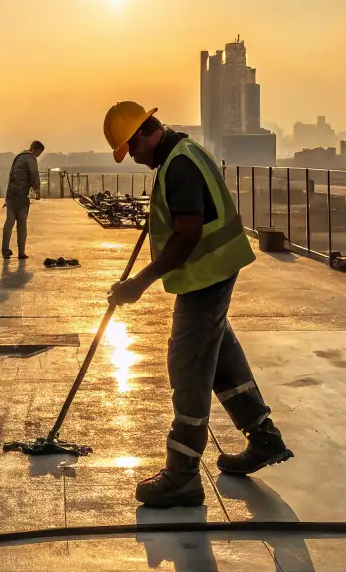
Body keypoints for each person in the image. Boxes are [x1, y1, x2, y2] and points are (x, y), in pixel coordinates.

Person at [102, 102, 292, 508]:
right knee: (219, 354)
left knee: (188, 364)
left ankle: (182, 474)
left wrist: (139, 282)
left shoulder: (179, 166)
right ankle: (263, 437)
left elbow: (187, 235)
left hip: (206, 274)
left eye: (130, 149)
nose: (133, 158)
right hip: (213, 271)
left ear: (142, 135)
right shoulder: (182, 154)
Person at [2, 140, 44, 259]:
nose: (38, 155)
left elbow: (11, 176)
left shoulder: (18, 157)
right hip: (21, 196)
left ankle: (5, 250)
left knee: (9, 223)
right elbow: (34, 173)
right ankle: (21, 252)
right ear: (34, 149)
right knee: (22, 225)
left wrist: (7, 197)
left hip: (11, 195)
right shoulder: (30, 158)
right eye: (39, 152)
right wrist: (36, 189)